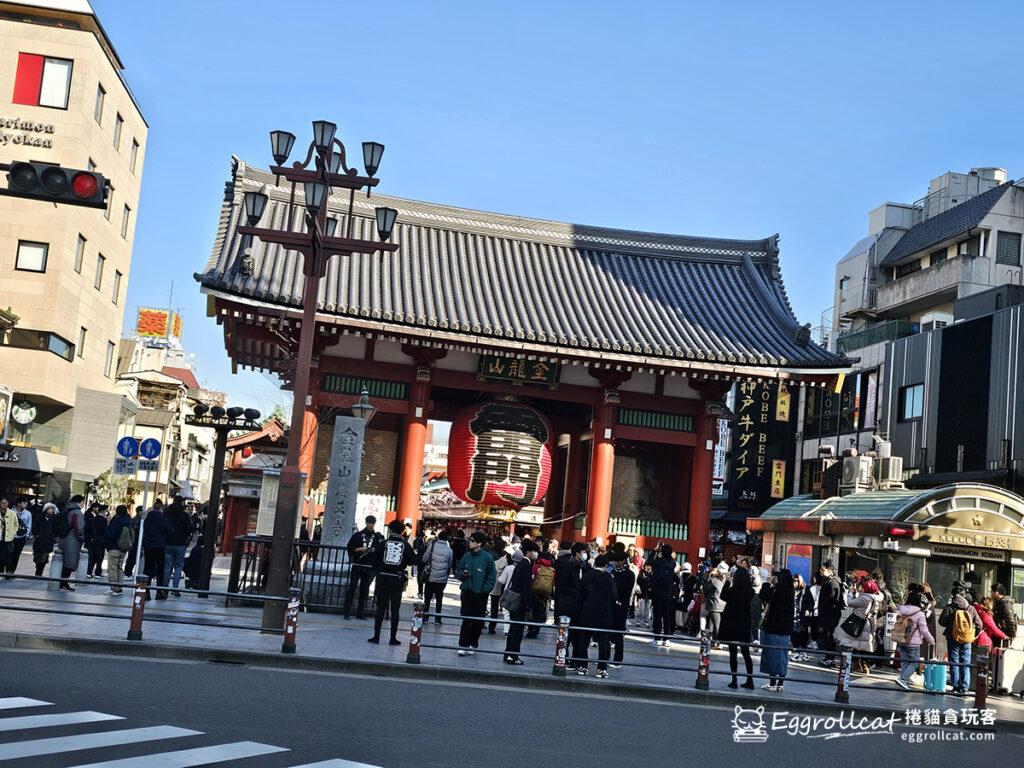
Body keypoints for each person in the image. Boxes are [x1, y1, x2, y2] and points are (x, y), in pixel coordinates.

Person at [368, 520, 415, 645]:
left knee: (380, 608)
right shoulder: (405, 545)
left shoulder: (383, 543)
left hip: (383, 578)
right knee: (395, 610)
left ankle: (376, 636)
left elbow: (374, 561)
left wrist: (378, 569)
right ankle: (392, 638)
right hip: (397, 580)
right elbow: (411, 561)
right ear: (402, 531)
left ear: (390, 530)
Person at [576, 553, 618, 678]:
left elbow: (580, 595)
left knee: (584, 641)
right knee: (603, 643)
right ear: (606, 565)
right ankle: (601, 669)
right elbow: (614, 596)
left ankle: (583, 666)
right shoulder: (609, 578)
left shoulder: (587, 576)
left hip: (587, 613)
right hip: (604, 615)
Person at [455, 531, 497, 656]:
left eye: (473, 540)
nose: (470, 542)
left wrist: (484, 590)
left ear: (479, 543)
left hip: (480, 594)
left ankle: (473, 644)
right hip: (467, 592)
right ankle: (463, 645)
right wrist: (463, 574)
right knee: (466, 619)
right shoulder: (466, 556)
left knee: (477, 621)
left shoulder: (487, 558)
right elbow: (458, 570)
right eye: (470, 540)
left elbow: (492, 577)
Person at [938, 582, 983, 696]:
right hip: (967, 639)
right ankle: (964, 687)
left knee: (954, 661)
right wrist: (973, 635)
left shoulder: (949, 608)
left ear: (953, 595)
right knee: (965, 662)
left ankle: (955, 685)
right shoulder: (971, 608)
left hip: (953, 638)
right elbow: (979, 624)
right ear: (964, 595)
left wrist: (951, 625)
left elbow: (941, 622)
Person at [834, 577, 884, 676]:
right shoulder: (877, 597)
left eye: (862, 586)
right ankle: (862, 666)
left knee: (850, 643)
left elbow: (850, 603)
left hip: (859, 623)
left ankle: (852, 665)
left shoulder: (864, 598)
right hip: (868, 624)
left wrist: (850, 594)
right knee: (861, 646)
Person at [718, 562, 755, 689]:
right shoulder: (750, 591)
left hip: (732, 623)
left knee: (733, 653)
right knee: (746, 653)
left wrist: (728, 581)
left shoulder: (733, 590)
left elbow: (723, 596)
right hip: (744, 623)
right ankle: (750, 680)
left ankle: (734, 680)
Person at [759, 568, 795, 692]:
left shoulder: (775, 590)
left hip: (773, 627)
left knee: (771, 654)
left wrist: (768, 582)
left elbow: (762, 594)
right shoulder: (791, 592)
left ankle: (772, 682)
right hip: (785, 629)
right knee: (782, 656)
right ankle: (780, 683)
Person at [503, 541, 538, 665]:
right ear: (529, 552)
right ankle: (513, 655)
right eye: (534, 551)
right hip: (520, 602)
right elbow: (526, 587)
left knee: (514, 627)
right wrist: (529, 605)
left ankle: (508, 653)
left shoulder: (520, 564)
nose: (536, 554)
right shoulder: (526, 565)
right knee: (517, 629)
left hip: (514, 600)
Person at [344, 516, 384, 620]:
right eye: (369, 523)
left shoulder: (378, 536)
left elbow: (381, 550)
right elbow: (349, 548)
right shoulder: (357, 535)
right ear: (366, 523)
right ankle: (347, 612)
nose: (370, 525)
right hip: (357, 564)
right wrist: (359, 549)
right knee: (352, 588)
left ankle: (360, 613)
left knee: (364, 590)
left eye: (372, 523)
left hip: (369, 566)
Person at [892, 590, 934, 690]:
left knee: (905, 662)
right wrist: (931, 640)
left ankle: (904, 682)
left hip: (902, 640)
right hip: (913, 643)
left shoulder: (902, 610)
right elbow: (924, 630)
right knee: (914, 663)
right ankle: (903, 679)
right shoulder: (919, 613)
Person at [554, 542, 587, 667]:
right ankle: (563, 657)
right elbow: (562, 586)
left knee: (578, 635)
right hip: (567, 604)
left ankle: (575, 659)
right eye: (584, 552)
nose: (586, 554)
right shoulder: (567, 566)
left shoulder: (585, 567)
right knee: (566, 634)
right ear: (577, 553)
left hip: (580, 607)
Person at [141, 499, 173, 599]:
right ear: (161, 509)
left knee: (148, 569)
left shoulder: (147, 518)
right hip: (159, 546)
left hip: (149, 546)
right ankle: (159, 592)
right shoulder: (162, 518)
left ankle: (146, 592)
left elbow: (144, 530)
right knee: (160, 569)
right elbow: (170, 530)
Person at [421, 530, 454, 624]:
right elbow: (449, 565)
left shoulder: (432, 546)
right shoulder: (449, 550)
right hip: (441, 578)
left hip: (430, 576)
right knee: (439, 598)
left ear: (438, 537)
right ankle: (437, 618)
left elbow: (424, 559)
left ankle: (425, 618)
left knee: (427, 598)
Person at [609, 551, 636, 668]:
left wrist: (614, 581)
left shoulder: (629, 574)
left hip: (621, 604)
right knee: (607, 631)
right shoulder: (613, 571)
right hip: (610, 604)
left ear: (624, 561)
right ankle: (604, 657)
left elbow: (625, 590)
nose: (616, 563)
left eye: (618, 561)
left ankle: (618, 659)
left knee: (619, 632)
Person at [163, 497, 193, 597]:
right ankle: (175, 588)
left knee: (167, 567)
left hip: (167, 542)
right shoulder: (184, 515)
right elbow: (189, 528)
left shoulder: (166, 513)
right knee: (178, 566)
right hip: (180, 543)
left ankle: (164, 588)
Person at [650, 544, 680, 646]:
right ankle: (667, 638)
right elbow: (673, 562)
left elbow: (648, 561)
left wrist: (655, 550)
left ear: (662, 552)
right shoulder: (672, 563)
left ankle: (657, 637)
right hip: (668, 592)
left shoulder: (657, 562)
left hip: (657, 592)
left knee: (657, 615)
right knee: (666, 616)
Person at [816, 561, 844, 666]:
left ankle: (830, 658)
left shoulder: (833, 582)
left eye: (823, 570)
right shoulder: (828, 581)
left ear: (829, 571)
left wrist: (824, 609)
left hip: (831, 614)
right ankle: (828, 657)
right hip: (827, 613)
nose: (821, 572)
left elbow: (832, 599)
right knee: (827, 635)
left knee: (828, 635)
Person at [103, 505, 133, 595]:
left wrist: (108, 545)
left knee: (112, 568)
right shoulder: (128, 521)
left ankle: (113, 588)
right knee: (120, 568)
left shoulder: (116, 521)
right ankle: (119, 588)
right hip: (124, 548)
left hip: (114, 547)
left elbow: (110, 534)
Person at [698, 561, 728, 647]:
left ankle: (715, 642)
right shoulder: (728, 581)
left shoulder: (713, 580)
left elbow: (706, 590)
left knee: (715, 624)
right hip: (723, 604)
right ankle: (712, 641)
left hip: (713, 603)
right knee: (714, 623)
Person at [528, 547, 555, 638]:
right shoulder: (552, 569)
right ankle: (537, 631)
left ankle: (531, 630)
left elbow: (532, 577)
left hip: (534, 591)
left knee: (532, 611)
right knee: (540, 611)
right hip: (545, 594)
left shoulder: (537, 566)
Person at [5, 496, 32, 575]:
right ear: (18, 503)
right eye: (24, 502)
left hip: (21, 538)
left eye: (26, 502)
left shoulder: (28, 514)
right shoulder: (9, 511)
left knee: (16, 555)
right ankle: (8, 570)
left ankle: (12, 571)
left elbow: (28, 526)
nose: (26, 504)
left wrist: (25, 535)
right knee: (8, 554)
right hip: (10, 537)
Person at [488, 539, 510, 633]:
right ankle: (491, 628)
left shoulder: (488, 555)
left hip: (485, 583)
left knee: (481, 605)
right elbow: (505, 573)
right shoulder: (503, 559)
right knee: (494, 607)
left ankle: (479, 625)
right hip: (496, 585)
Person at [31, 503, 57, 576]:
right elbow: (35, 528)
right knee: (37, 557)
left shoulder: (54, 519)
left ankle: (39, 572)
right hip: (39, 541)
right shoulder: (40, 517)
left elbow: (55, 530)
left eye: (52, 509)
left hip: (48, 541)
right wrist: (36, 535)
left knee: (44, 558)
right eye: (49, 508)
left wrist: (53, 538)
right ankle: (38, 568)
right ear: (45, 509)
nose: (51, 510)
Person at [791, 574, 812, 661]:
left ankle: (803, 651)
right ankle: (796, 652)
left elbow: (811, 602)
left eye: (795, 581)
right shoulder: (791, 590)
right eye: (793, 581)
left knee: (803, 633)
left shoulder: (805, 590)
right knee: (794, 632)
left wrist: (808, 610)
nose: (794, 583)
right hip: (793, 614)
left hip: (802, 615)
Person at [0, 499, 17, 578]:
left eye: (6, 503)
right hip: (0, 539)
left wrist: (13, 533)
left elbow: (16, 525)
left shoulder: (12, 513)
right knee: (1, 556)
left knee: (9, 555)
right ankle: (1, 571)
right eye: (2, 503)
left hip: (9, 539)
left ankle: (8, 572)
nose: (4, 504)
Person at [635, 562, 653, 628]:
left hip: (649, 593)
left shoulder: (652, 573)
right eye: (647, 565)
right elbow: (638, 581)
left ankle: (646, 621)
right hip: (641, 593)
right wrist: (644, 578)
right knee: (640, 608)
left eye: (649, 566)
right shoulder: (641, 572)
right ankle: (638, 621)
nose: (648, 567)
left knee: (648, 608)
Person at [412, 528, 428, 598]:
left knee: (420, 578)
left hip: (422, 564)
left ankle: (420, 592)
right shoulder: (431, 548)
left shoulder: (423, 547)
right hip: (424, 564)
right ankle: (422, 592)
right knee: (424, 579)